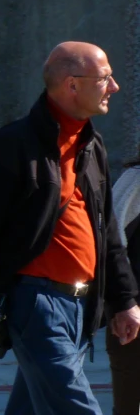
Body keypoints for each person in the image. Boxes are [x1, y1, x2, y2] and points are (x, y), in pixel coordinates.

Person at [0, 41, 140, 414]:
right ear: (72, 85)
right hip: (36, 305)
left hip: (80, 306)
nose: (114, 87)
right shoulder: (15, 146)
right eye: (105, 78)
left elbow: (107, 233)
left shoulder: (91, 144)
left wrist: (125, 300)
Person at [107, 159, 140, 415]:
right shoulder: (135, 181)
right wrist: (124, 301)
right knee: (129, 403)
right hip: (134, 313)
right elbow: (110, 243)